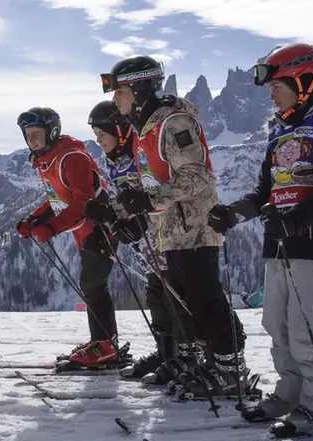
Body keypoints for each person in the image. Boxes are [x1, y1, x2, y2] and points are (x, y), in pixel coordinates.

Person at [207, 43, 313, 432]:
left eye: (277, 83)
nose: (271, 91)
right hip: (278, 242)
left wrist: (295, 221)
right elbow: (265, 191)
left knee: (306, 332)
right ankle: (290, 393)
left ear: (304, 79)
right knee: (276, 326)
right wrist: (233, 213)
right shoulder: (279, 128)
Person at [100, 55, 249, 398]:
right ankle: (204, 365)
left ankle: (231, 372)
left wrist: (147, 201)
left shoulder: (173, 123)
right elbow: (151, 185)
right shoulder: (146, 130)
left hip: (195, 227)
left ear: (139, 88)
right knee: (186, 304)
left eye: (119, 92)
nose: (115, 100)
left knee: (206, 300)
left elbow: (197, 177)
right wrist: (115, 209)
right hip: (171, 231)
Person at [83, 100, 195, 385]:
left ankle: (186, 358)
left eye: (102, 133)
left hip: (166, 237)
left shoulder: (138, 153)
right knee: (156, 297)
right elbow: (123, 199)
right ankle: (166, 354)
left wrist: (139, 219)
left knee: (174, 298)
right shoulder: (114, 161)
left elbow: (155, 191)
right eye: (95, 134)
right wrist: (108, 215)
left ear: (120, 130)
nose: (98, 140)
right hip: (147, 245)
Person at [14, 106, 122, 367]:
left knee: (93, 285)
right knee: (92, 287)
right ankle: (102, 343)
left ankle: (106, 347)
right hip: (84, 230)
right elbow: (59, 199)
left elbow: (81, 202)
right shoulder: (48, 159)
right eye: (27, 135)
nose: (31, 140)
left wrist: (51, 228)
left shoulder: (70, 158)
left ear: (52, 132)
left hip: (99, 227)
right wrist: (34, 219)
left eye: (36, 134)